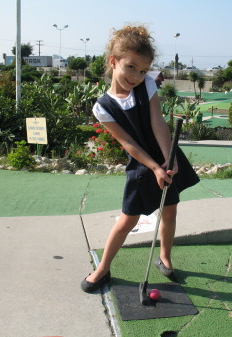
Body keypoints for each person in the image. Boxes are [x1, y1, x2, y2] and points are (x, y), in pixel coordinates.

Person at [81, 25, 199, 293]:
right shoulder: (103, 106)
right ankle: (103, 268)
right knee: (127, 220)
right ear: (113, 61)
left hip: (165, 155)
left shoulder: (146, 86)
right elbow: (128, 143)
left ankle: (165, 257)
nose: (137, 75)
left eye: (143, 70)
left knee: (169, 211)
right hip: (141, 164)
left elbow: (157, 122)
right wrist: (155, 167)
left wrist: (169, 158)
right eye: (131, 67)